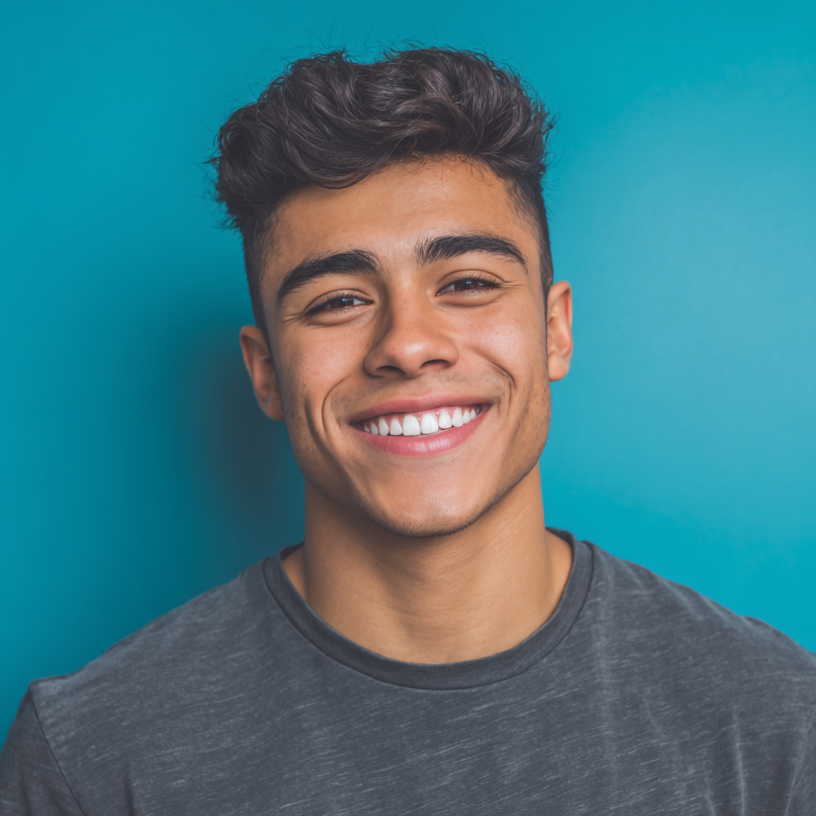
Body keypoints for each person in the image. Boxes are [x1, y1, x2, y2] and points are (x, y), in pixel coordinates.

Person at [1, 46, 814, 814]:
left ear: (555, 329)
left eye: (465, 282)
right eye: (338, 301)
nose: (408, 343)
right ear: (266, 373)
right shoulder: (92, 756)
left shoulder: (779, 718)